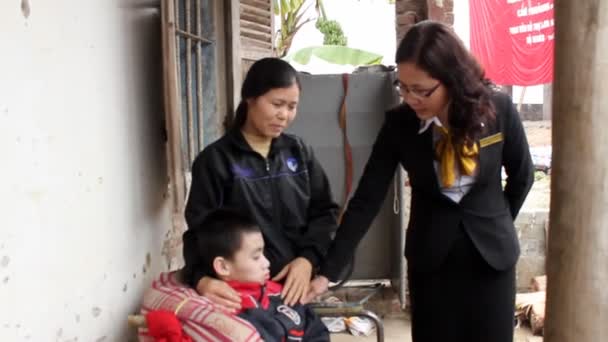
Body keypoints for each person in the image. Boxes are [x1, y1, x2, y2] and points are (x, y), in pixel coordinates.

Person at [306, 21, 535, 342]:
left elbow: (522, 175)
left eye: (421, 90)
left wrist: (497, 221)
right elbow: (368, 198)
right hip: (432, 262)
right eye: (404, 87)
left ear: (453, 80)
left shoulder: (497, 108)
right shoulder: (399, 124)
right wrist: (329, 271)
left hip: (491, 262)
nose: (411, 98)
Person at [185, 57, 338, 310]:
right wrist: (200, 279)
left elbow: (325, 212)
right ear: (250, 98)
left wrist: (307, 260)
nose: (284, 115)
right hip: (244, 296)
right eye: (277, 104)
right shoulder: (217, 160)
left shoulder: (298, 153)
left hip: (297, 289)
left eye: (292, 106)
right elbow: (200, 231)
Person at [181, 208, 330, 341]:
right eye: (256, 257)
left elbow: (315, 329)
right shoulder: (229, 313)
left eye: (263, 253)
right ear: (223, 266)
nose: (267, 263)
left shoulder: (280, 293)